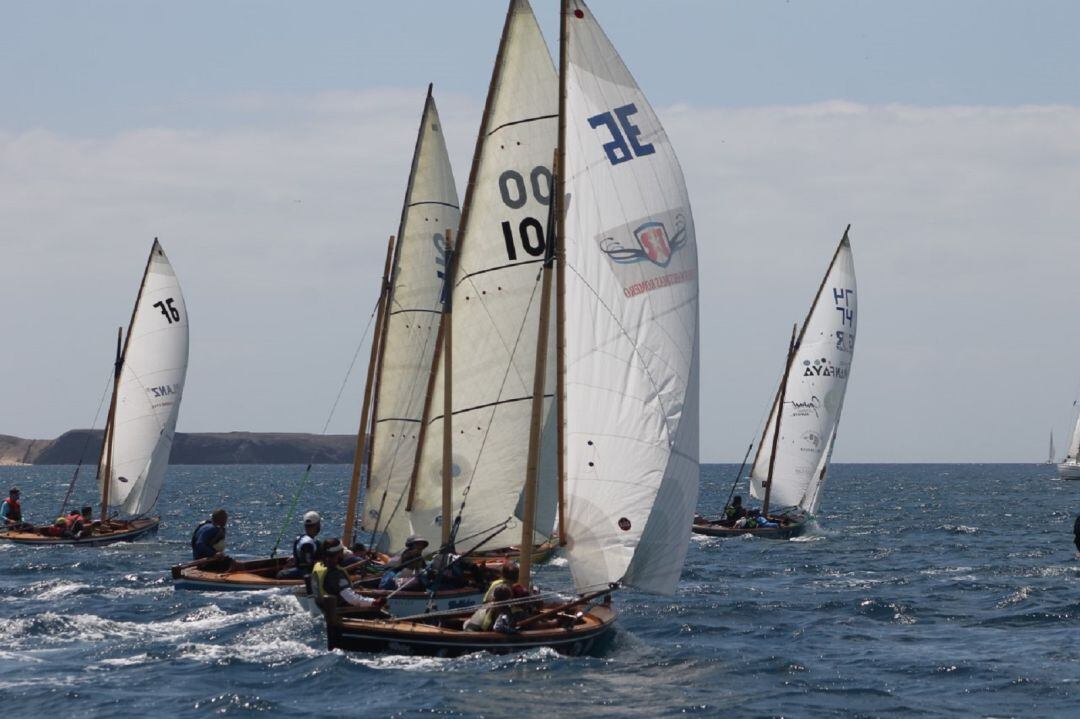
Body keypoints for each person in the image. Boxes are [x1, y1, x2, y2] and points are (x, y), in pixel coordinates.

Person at [310, 541, 385, 610]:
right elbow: (351, 599)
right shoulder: (335, 574)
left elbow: (330, 587)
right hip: (337, 611)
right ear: (339, 553)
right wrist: (374, 602)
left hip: (320, 606)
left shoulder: (318, 565)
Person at [276, 511, 323, 579]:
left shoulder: (300, 538)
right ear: (318, 525)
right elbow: (308, 564)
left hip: (302, 568)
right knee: (281, 574)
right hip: (306, 572)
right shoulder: (308, 543)